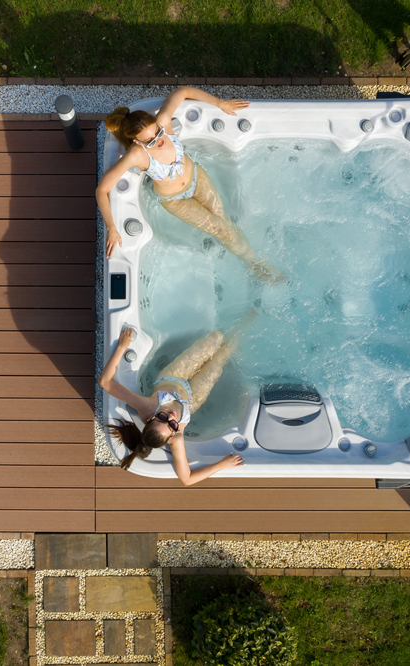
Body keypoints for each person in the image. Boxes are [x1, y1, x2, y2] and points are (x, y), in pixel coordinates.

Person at [97, 86, 281, 282]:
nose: (159, 141)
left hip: (196, 178)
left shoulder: (163, 121)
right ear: (137, 141)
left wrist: (220, 103)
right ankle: (259, 267)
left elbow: (182, 91)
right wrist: (111, 228)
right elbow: (102, 189)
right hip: (175, 200)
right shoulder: (136, 154)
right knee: (223, 230)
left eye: (158, 133)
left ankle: (254, 264)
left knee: (224, 222)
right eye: (150, 141)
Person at [99, 311, 256, 485]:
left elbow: (105, 382)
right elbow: (187, 479)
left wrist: (121, 347)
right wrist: (222, 464)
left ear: (152, 417)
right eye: (173, 425)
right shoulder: (177, 439)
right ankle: (249, 320)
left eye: (164, 417)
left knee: (215, 338)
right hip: (193, 398)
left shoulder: (146, 406)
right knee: (223, 355)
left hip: (174, 376)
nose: (172, 416)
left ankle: (237, 313)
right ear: (172, 435)